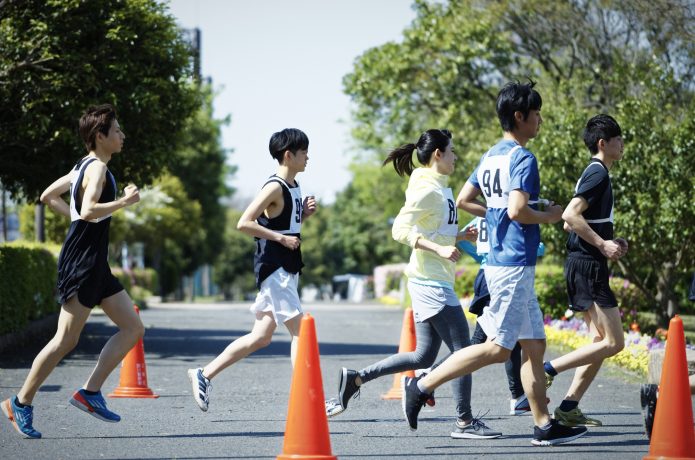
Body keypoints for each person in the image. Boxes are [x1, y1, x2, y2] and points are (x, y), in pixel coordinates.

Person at [401, 81, 587, 446]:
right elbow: (519, 210)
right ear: (520, 117)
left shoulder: (491, 156)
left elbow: (470, 199)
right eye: (536, 114)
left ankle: (544, 425)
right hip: (513, 263)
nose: (540, 120)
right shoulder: (522, 158)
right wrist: (551, 215)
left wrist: (499, 214)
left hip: (505, 263)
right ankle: (421, 384)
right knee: (498, 349)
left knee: (534, 347)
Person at [325, 129, 501, 440]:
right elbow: (400, 229)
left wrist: (459, 238)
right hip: (431, 283)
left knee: (422, 357)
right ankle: (463, 421)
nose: (456, 157)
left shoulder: (441, 188)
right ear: (438, 155)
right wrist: (441, 249)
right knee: (465, 350)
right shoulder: (427, 190)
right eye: (452, 151)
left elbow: (433, 230)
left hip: (431, 279)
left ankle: (356, 379)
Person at [2, 104, 144, 439]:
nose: (123, 135)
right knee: (65, 339)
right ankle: (19, 402)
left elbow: (48, 196)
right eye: (118, 130)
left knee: (133, 327)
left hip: (94, 261)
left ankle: (90, 392)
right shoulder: (94, 169)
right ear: (100, 135)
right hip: (81, 261)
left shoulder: (81, 167)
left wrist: (75, 216)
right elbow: (91, 210)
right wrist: (123, 203)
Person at [187, 128, 317, 412]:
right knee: (300, 332)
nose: (308, 156)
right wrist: (281, 239)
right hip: (275, 267)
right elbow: (244, 222)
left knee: (261, 337)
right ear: (288, 155)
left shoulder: (294, 186)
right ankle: (306, 399)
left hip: (288, 266)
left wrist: (303, 216)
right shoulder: (273, 186)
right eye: (304, 151)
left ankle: (204, 374)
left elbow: (283, 225)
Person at [542, 114, 628, 427]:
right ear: (603, 143)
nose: (622, 144)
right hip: (589, 266)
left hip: (585, 263)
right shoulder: (598, 173)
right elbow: (569, 214)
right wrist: (602, 245)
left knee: (597, 341)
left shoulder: (594, 173)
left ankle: (568, 407)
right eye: (618, 139)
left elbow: (571, 223)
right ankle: (547, 370)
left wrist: (608, 240)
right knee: (614, 343)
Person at [458, 216, 546, 416]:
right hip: (502, 277)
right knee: (482, 341)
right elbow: (538, 249)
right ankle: (428, 379)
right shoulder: (510, 213)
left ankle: (518, 397)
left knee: (508, 339)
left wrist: (481, 256)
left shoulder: (481, 215)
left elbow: (462, 238)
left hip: (488, 275)